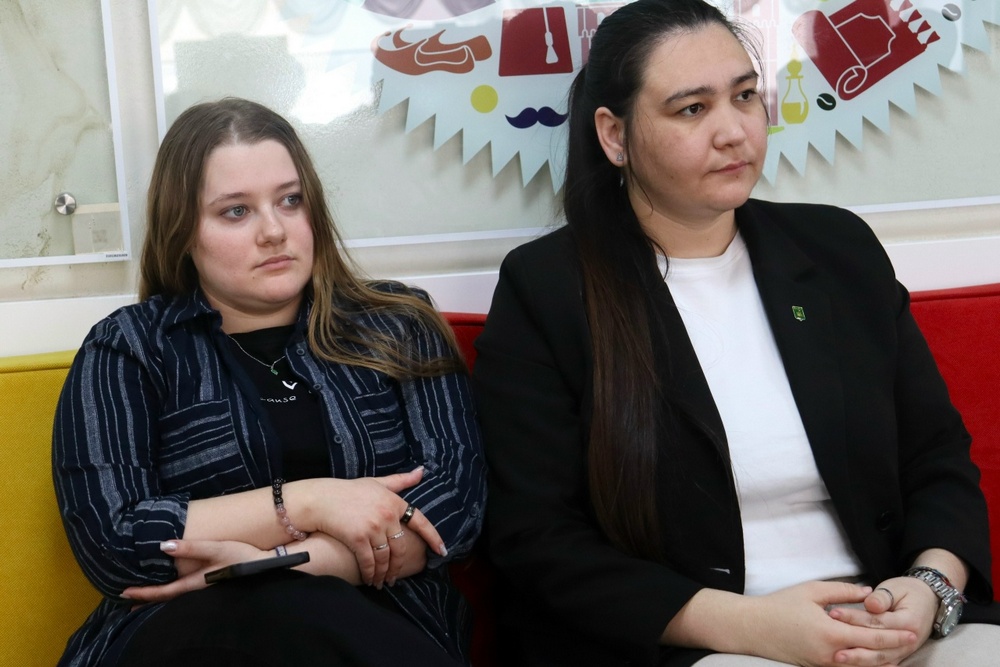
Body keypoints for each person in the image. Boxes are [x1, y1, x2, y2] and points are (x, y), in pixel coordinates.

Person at [471, 1, 1000, 666]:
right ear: (614, 135)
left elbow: (938, 459)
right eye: (692, 109)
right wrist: (752, 627)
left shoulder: (838, 249)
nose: (734, 132)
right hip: (699, 641)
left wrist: (928, 588)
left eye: (745, 96)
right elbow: (536, 536)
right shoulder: (547, 289)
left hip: (881, 621)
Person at [52, 97, 486, 667]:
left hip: (381, 623)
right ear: (183, 232)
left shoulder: (399, 325)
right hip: (186, 634)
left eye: (290, 200)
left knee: (294, 608)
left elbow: (455, 506)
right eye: (236, 211)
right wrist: (311, 501)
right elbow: (115, 543)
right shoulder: (129, 348)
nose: (275, 231)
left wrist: (279, 565)